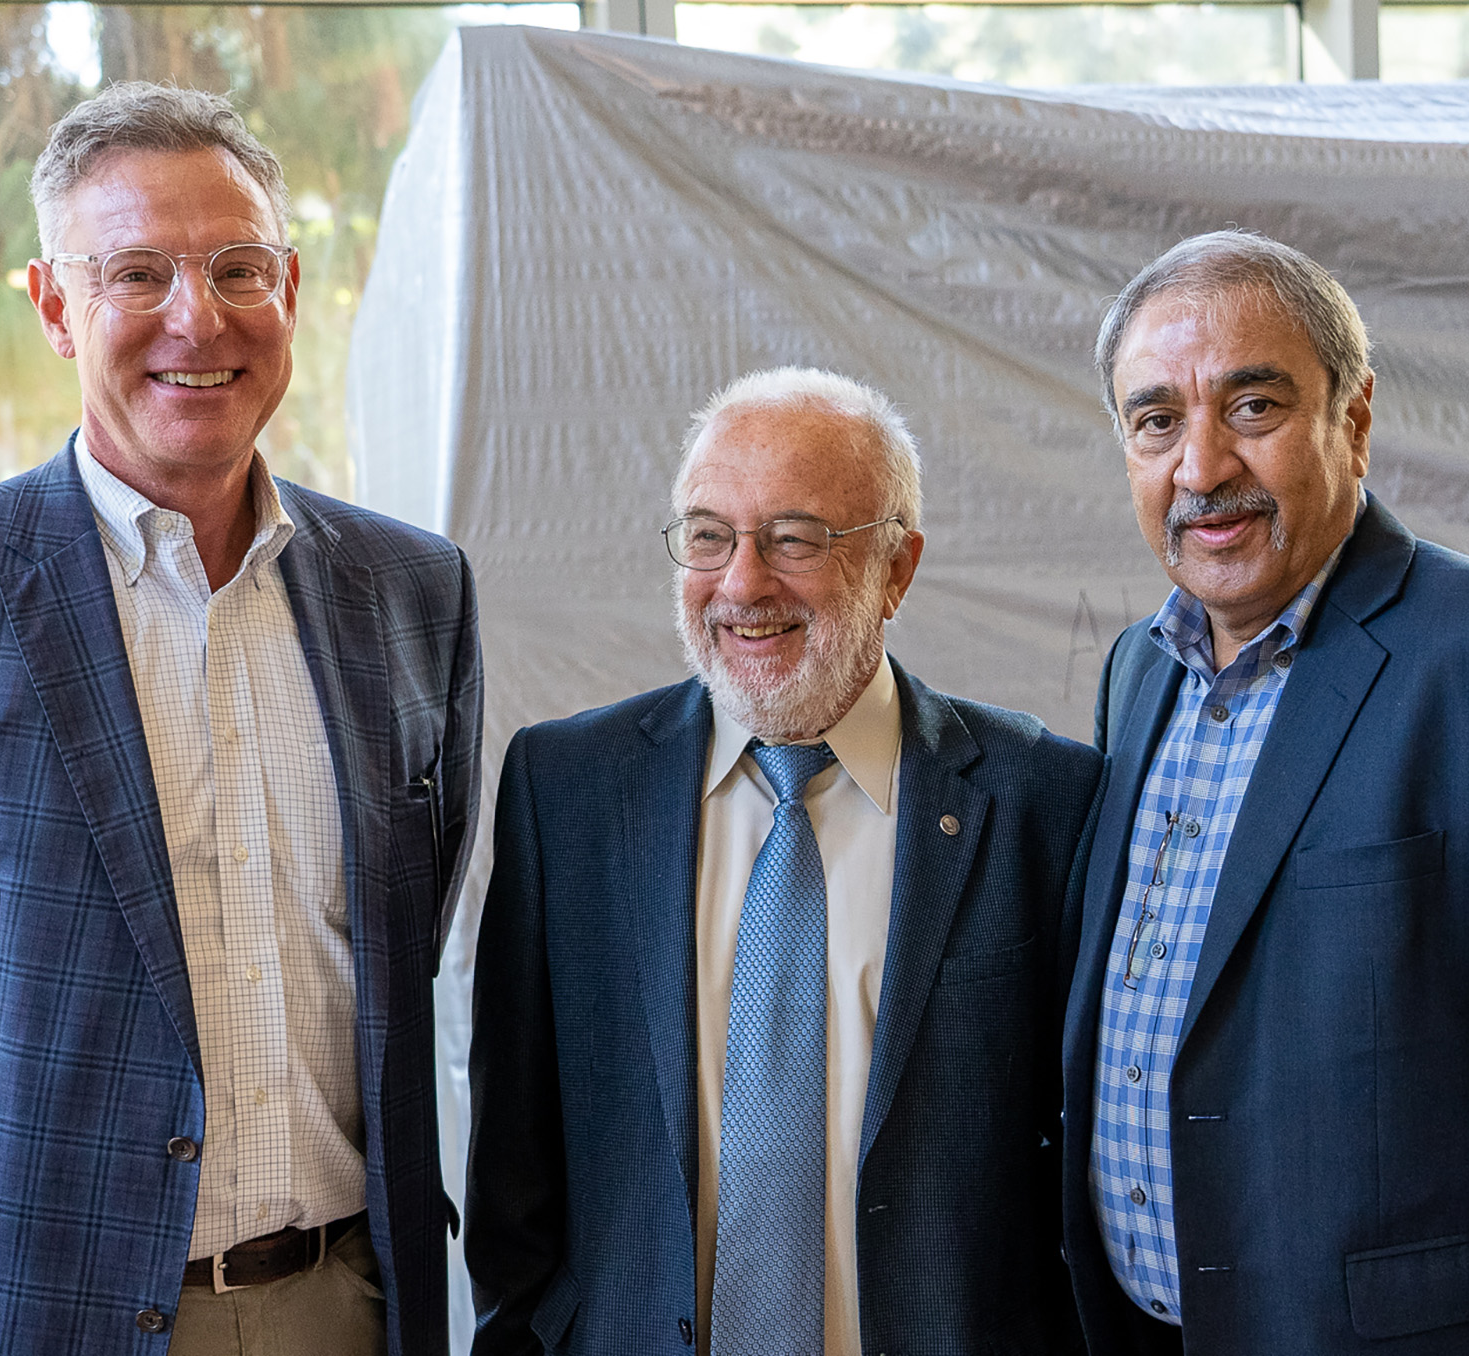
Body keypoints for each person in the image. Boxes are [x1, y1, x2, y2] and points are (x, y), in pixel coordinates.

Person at [0, 82, 480, 1355]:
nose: (201, 317)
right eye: (137, 272)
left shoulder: (413, 591)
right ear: (55, 307)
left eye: (239, 266)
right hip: (24, 1313)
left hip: (350, 1305)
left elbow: (405, 942)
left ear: (289, 288)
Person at [1063, 231, 1469, 1355]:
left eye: (1253, 407)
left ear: (1352, 422)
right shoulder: (1138, 672)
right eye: (1157, 419)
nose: (1202, 466)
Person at [464, 367, 1101, 1356]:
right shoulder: (568, 791)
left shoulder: (1044, 804)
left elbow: (1080, 1185)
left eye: (795, 539)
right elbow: (515, 1176)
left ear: (897, 568)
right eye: (709, 536)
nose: (743, 583)